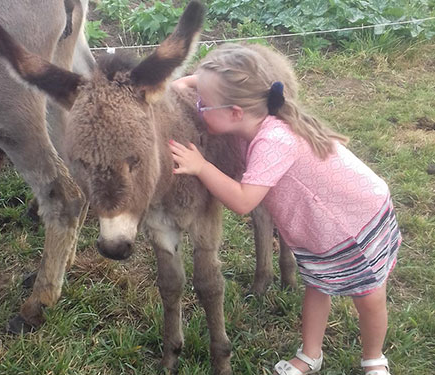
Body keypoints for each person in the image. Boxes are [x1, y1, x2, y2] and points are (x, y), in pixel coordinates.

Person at [169, 43, 401, 375]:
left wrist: (201, 166)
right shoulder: (252, 117)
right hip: (318, 231)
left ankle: (374, 358)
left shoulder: (273, 141)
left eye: (203, 103)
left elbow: (243, 201)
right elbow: (196, 84)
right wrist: (183, 84)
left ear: (235, 112)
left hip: (352, 225)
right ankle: (310, 355)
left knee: (368, 296)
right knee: (317, 285)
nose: (197, 107)